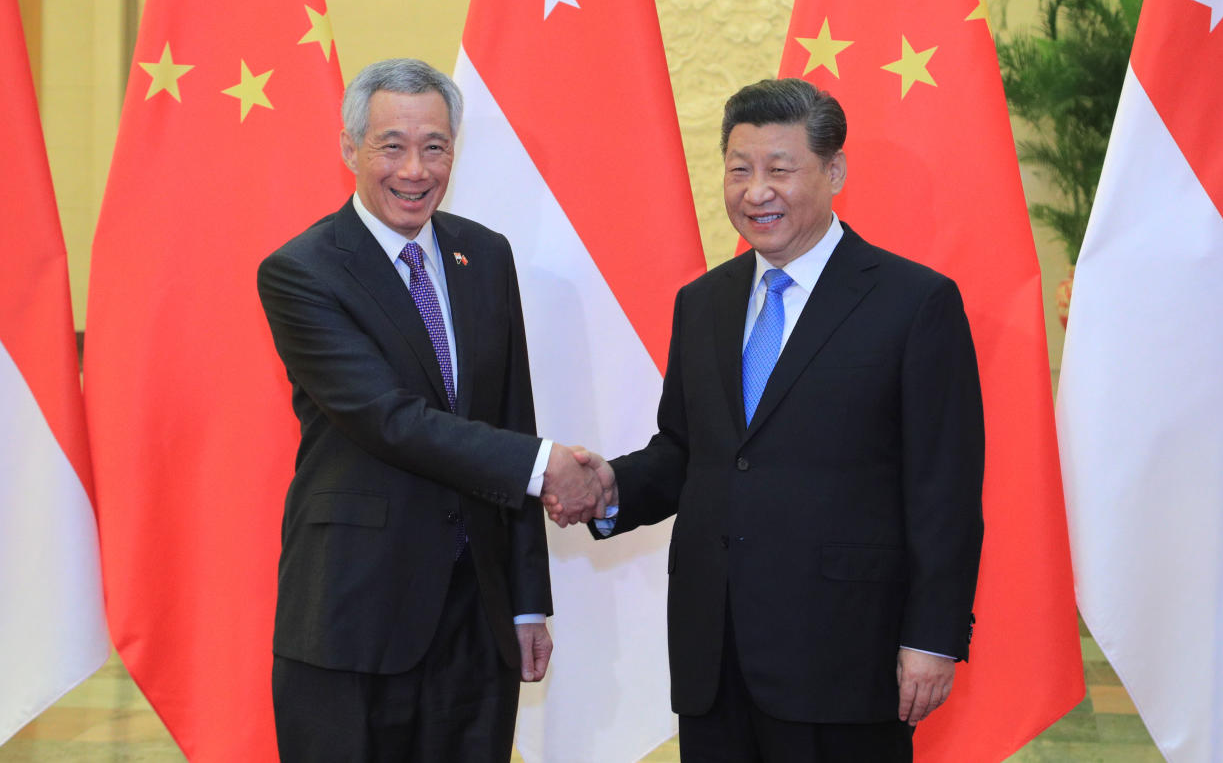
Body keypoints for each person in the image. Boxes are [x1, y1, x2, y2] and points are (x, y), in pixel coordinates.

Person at [569, 78, 985, 762]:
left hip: (847, 658)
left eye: (779, 170)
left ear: (834, 171)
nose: (755, 191)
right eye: (739, 169)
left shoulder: (914, 303)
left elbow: (945, 487)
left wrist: (931, 636)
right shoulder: (702, 302)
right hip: (716, 658)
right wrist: (607, 487)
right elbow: (688, 451)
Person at [257, 58, 604, 762]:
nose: (415, 169)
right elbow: (389, 418)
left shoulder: (485, 254)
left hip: (476, 623)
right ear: (350, 148)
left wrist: (527, 601)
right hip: (354, 616)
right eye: (392, 145)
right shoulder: (302, 271)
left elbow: (511, 415)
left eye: (435, 147)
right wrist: (547, 468)